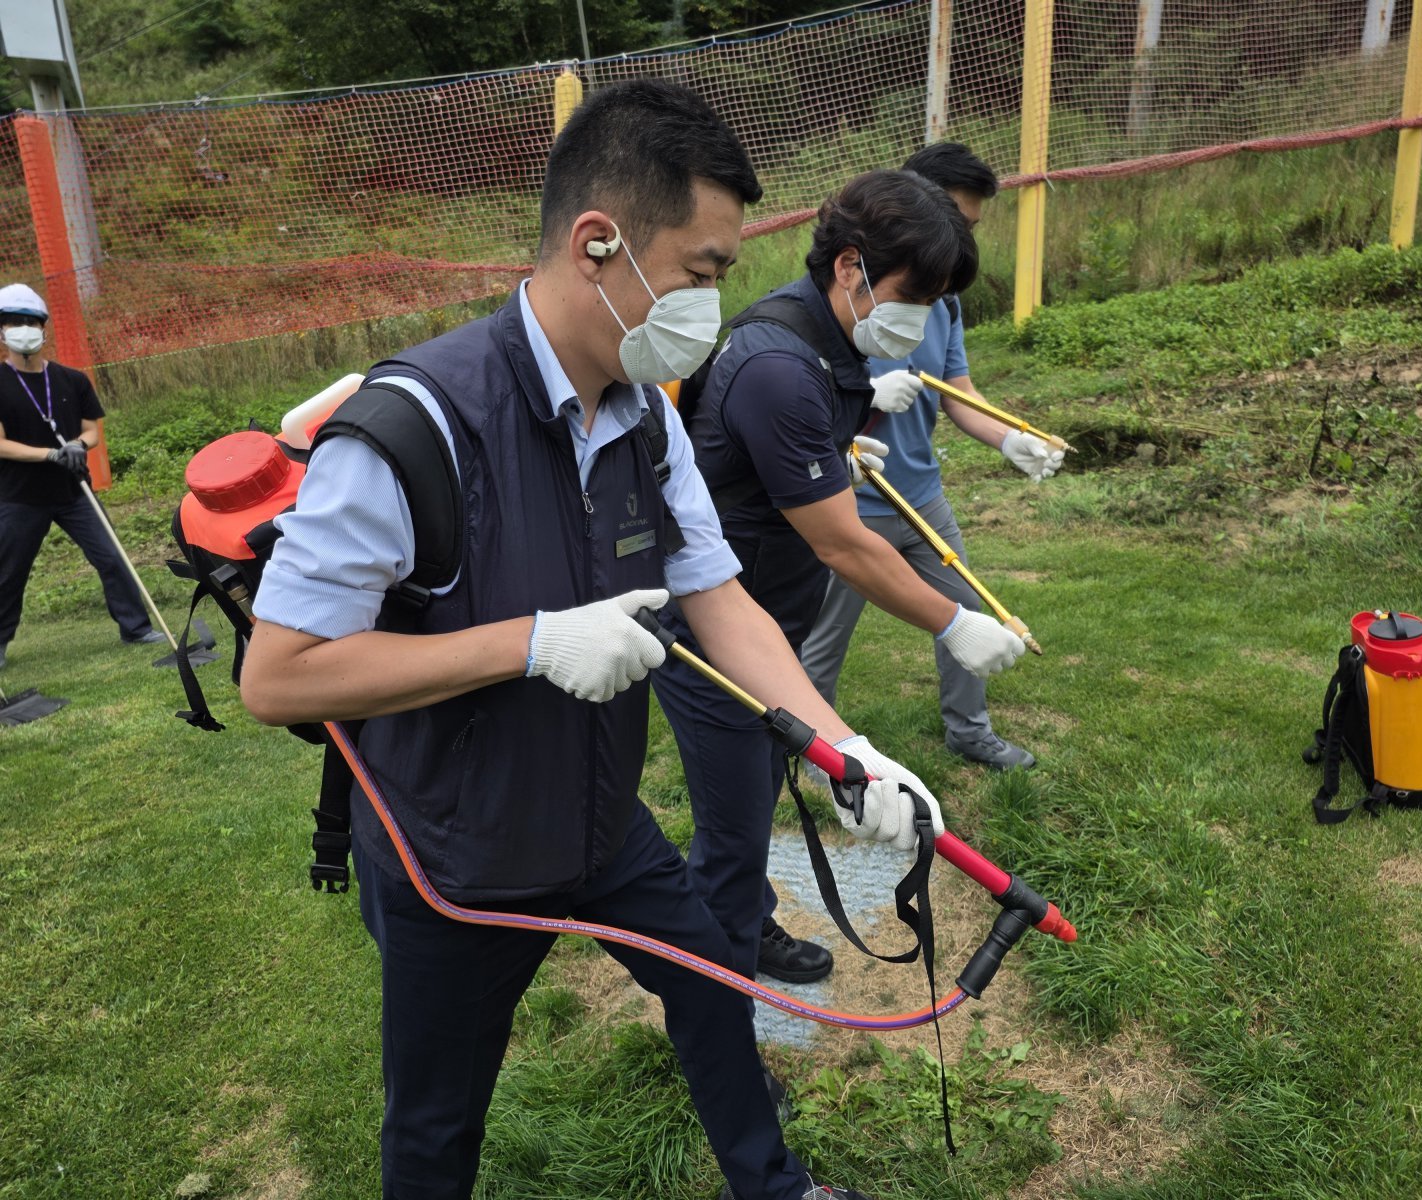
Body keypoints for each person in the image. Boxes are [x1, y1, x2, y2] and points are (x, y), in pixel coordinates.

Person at [239, 80, 934, 1200]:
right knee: (435, 1122)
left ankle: (775, 1187)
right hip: (453, 852)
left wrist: (843, 747)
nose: (716, 301)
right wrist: (529, 643)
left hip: (600, 823)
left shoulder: (648, 410)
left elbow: (718, 598)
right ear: (598, 244)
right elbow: (277, 678)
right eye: (703, 270)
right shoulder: (412, 425)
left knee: (713, 977)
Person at [652, 168, 1028, 990]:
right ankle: (721, 995)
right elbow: (847, 549)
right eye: (914, 295)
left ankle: (739, 921)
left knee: (750, 800)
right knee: (735, 821)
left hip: (762, 619)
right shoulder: (782, 367)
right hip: (716, 637)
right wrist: (954, 622)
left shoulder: (830, 341)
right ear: (851, 268)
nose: (922, 321)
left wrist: (834, 455)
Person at [800, 144, 1064, 772]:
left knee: (966, 614)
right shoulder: (848, 295)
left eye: (971, 229)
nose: (962, 242)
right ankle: (811, 748)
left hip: (922, 497)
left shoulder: (943, 301)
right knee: (822, 642)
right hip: (847, 506)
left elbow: (958, 392)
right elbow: (803, 396)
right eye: (957, 222)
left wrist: (1008, 439)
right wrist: (863, 394)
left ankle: (969, 731)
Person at [0, 283, 164, 671]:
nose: (25, 328)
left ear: (43, 328)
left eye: (31, 322)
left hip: (73, 491)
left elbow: (91, 431)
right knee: (8, 571)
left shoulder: (72, 379)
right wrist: (52, 454)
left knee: (112, 557)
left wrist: (77, 445)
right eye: (14, 322)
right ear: (2, 332)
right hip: (19, 496)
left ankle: (137, 628)